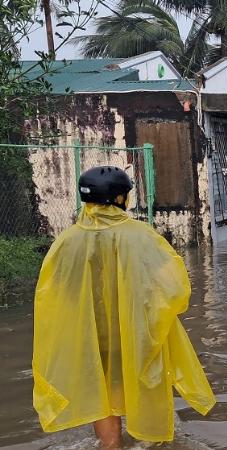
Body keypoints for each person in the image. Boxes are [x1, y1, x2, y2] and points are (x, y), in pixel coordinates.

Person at [32, 166, 215, 449]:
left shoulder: (66, 241)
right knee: (144, 384)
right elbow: (174, 287)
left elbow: (53, 291)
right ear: (120, 199)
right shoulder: (141, 235)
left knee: (101, 391)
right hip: (136, 333)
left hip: (90, 336)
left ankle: (111, 444)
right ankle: (147, 439)